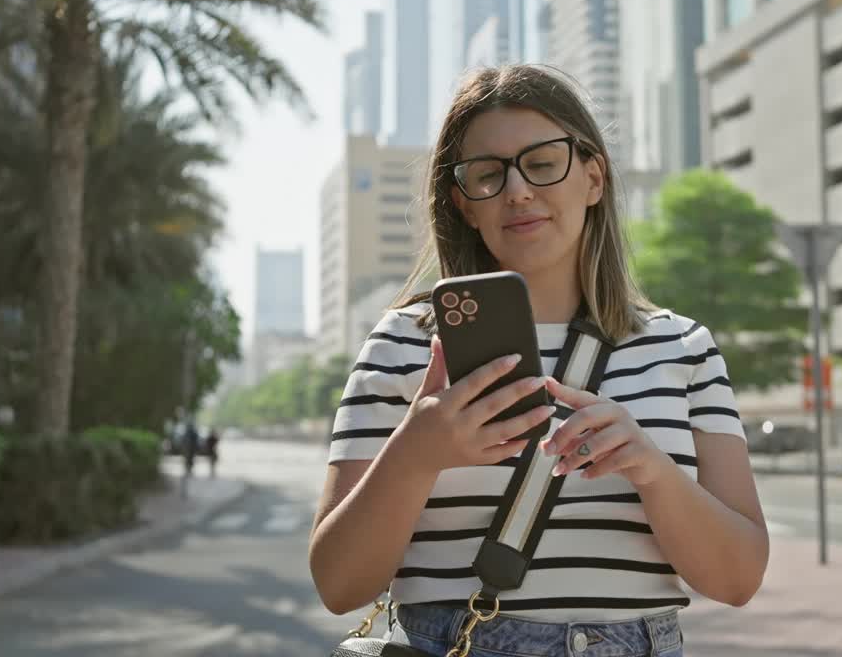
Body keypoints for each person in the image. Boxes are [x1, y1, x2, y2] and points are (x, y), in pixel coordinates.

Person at [308, 65, 768, 657]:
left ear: (593, 178)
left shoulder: (684, 348)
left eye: (543, 163)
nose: (518, 191)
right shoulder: (402, 343)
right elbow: (339, 584)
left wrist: (651, 469)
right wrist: (414, 454)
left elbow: (738, 579)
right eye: (487, 175)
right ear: (464, 204)